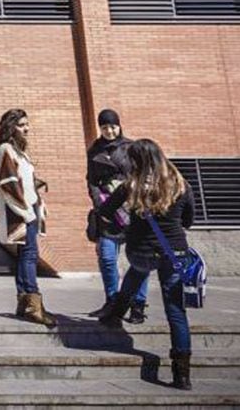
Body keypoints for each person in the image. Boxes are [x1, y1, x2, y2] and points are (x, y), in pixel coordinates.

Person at [97, 139, 196, 390]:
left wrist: (127, 225)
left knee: (139, 269)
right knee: (175, 311)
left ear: (136, 162)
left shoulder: (131, 186)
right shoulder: (181, 185)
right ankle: (181, 374)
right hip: (175, 252)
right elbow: (188, 220)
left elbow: (105, 211)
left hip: (140, 251)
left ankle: (117, 309)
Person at [86, 109, 150, 323]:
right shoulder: (94, 150)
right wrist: (99, 205)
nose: (109, 131)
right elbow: (92, 181)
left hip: (131, 208)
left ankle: (138, 305)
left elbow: (141, 176)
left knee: (140, 259)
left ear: (119, 126)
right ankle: (113, 302)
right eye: (104, 127)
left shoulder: (131, 147)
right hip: (107, 211)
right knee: (106, 258)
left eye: (113, 126)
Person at [0, 109, 55, 327]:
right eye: (21, 125)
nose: (26, 128)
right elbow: (8, 184)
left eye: (27, 124)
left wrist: (40, 204)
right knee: (30, 255)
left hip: (30, 210)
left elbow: (29, 183)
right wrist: (26, 211)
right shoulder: (5, 150)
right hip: (22, 213)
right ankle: (33, 304)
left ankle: (24, 303)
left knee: (26, 255)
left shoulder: (20, 152)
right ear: (10, 127)